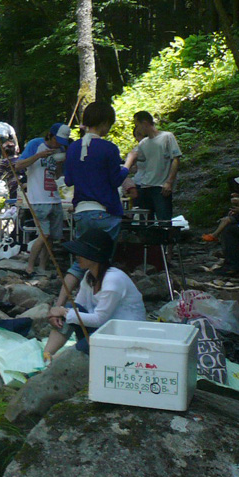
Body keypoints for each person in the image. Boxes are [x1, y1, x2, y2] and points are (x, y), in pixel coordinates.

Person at [59, 101, 133, 308]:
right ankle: (99, 308)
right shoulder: (108, 148)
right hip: (105, 212)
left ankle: (61, 302)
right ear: (104, 122)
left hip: (82, 212)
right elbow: (116, 179)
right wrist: (128, 163)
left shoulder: (73, 148)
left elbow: (68, 181)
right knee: (102, 263)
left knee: (80, 262)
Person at [44, 228, 146, 358]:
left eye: (81, 253)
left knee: (76, 327)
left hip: (124, 335)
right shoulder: (89, 276)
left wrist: (62, 312)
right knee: (70, 309)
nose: (77, 257)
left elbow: (99, 319)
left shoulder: (113, 280)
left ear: (95, 257)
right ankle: (46, 355)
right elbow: (78, 306)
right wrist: (61, 313)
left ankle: (59, 361)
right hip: (104, 328)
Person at [15, 123, 71, 277]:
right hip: (38, 198)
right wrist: (39, 156)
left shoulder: (60, 150)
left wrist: (59, 164)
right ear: (50, 136)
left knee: (52, 237)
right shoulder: (36, 144)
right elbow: (18, 165)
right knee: (44, 235)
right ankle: (30, 266)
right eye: (57, 140)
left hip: (54, 198)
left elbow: (57, 176)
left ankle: (43, 267)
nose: (59, 144)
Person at [125, 110, 181, 223]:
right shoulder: (144, 143)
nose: (137, 129)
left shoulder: (167, 137)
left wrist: (169, 182)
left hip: (160, 186)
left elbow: (175, 159)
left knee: (163, 220)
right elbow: (136, 160)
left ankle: (166, 239)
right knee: (146, 221)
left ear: (145, 123)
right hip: (145, 186)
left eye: (137, 125)